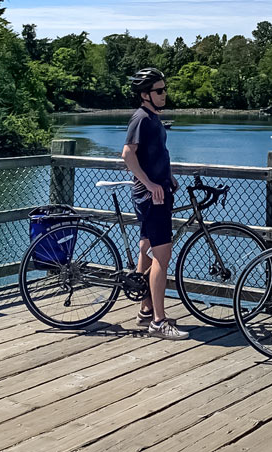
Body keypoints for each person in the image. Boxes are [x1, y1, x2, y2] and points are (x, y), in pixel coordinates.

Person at [120, 67, 187, 339]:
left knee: (147, 248)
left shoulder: (153, 118)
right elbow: (127, 154)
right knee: (162, 256)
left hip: (159, 192)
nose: (164, 94)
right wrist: (149, 184)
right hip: (152, 197)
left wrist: (167, 176)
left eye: (165, 89)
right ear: (145, 94)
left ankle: (146, 310)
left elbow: (155, 153)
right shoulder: (141, 118)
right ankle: (159, 322)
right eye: (159, 91)